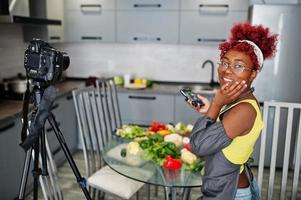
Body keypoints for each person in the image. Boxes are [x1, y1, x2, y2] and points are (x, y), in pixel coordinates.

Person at [188, 23, 277, 200]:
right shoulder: (238, 101)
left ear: (253, 74)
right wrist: (211, 109)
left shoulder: (245, 110)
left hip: (232, 194)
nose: (227, 70)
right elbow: (226, 129)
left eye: (238, 66)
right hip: (224, 188)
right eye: (225, 62)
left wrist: (215, 105)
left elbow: (198, 147)